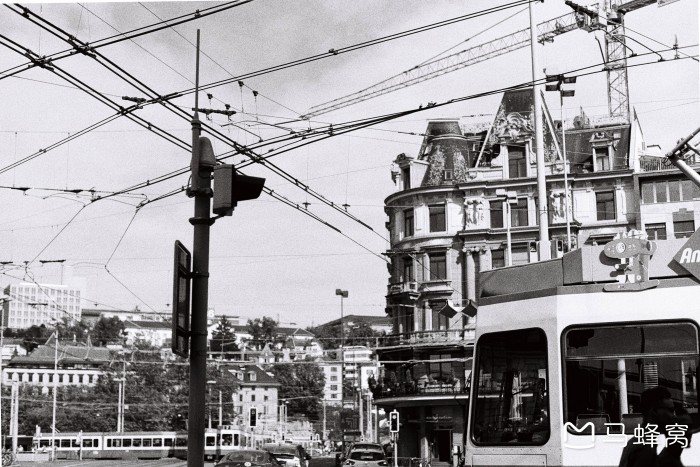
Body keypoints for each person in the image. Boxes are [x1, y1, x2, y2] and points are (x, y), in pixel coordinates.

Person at [618, 387, 677, 467]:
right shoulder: (644, 448)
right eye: (670, 411)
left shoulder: (639, 442)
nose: (673, 416)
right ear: (654, 412)